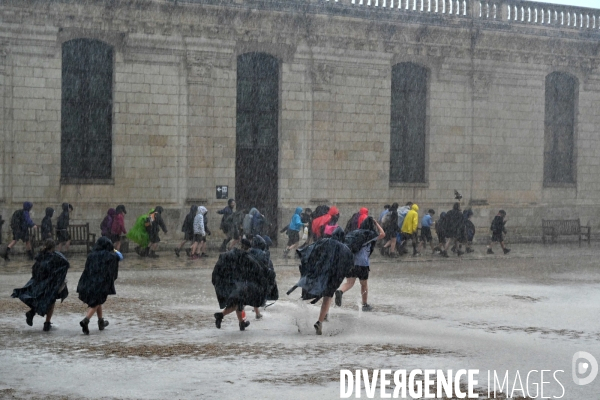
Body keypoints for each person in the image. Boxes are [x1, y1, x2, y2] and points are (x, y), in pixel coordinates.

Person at [288, 227, 353, 335]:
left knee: (310, 291)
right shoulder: (346, 249)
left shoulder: (324, 242)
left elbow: (311, 251)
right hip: (334, 278)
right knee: (327, 298)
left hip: (321, 274)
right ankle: (320, 321)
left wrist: (306, 259)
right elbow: (349, 265)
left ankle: (301, 314)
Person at [11, 239, 69, 332]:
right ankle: (46, 323)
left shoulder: (40, 256)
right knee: (51, 300)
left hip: (40, 282)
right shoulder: (54, 257)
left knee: (41, 299)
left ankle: (32, 313)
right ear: (53, 247)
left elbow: (35, 269)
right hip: (49, 283)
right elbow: (65, 264)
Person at [212, 238, 270, 331]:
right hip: (239, 285)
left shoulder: (227, 255)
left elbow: (218, 267)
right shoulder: (247, 258)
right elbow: (258, 271)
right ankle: (220, 315)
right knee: (237, 303)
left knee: (239, 303)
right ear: (248, 248)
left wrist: (215, 279)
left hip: (228, 283)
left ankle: (242, 323)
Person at [335, 216, 385, 312]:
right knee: (364, 284)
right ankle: (365, 304)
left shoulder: (355, 233)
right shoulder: (370, 234)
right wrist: (376, 223)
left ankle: (340, 291)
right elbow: (383, 234)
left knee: (349, 282)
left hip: (351, 261)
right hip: (363, 263)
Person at [77, 236, 122, 335]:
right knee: (97, 301)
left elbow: (87, 269)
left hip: (90, 281)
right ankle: (86, 320)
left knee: (98, 300)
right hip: (101, 282)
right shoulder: (110, 256)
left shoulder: (91, 255)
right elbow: (119, 258)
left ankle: (101, 322)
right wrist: (114, 251)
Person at [248, 235, 279, 319]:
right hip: (260, 277)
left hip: (249, 277)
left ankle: (256, 312)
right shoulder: (263, 254)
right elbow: (267, 266)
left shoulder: (249, 252)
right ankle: (260, 305)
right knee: (260, 292)